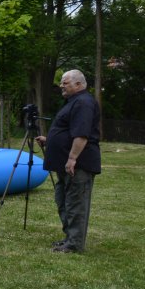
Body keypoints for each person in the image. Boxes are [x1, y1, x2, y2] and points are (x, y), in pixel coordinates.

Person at [37, 69, 101, 253]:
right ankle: (70, 238)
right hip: (65, 164)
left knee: (75, 204)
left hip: (78, 164)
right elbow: (69, 130)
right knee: (63, 200)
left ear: (78, 84)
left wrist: (72, 158)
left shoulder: (83, 103)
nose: (61, 86)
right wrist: (50, 140)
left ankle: (74, 244)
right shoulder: (74, 102)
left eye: (65, 83)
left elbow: (81, 134)